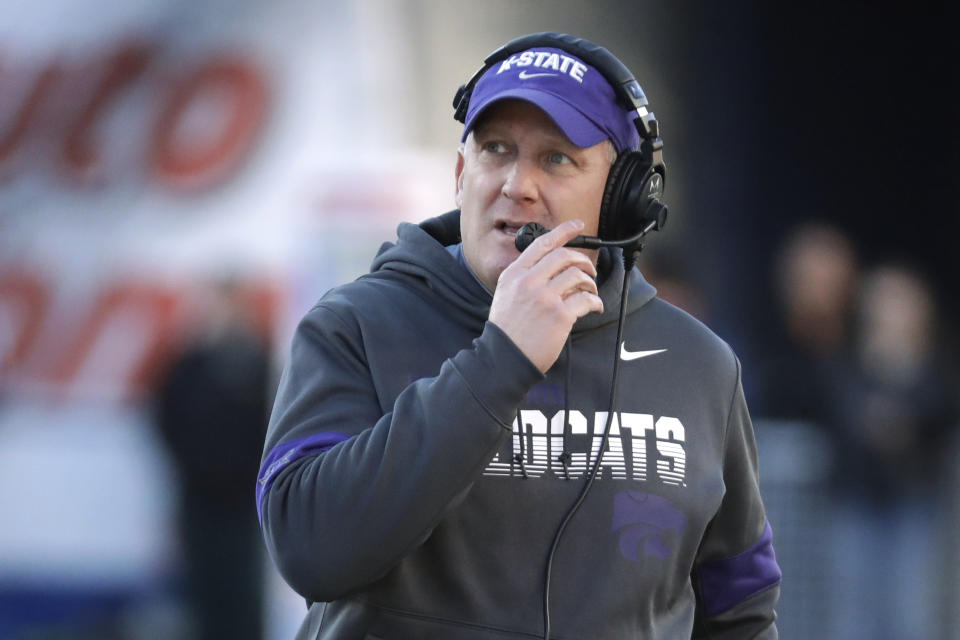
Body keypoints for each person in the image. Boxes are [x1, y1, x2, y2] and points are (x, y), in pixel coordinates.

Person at [258, 33, 780, 639]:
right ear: (461, 172)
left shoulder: (700, 366)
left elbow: (741, 605)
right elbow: (309, 549)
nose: (516, 184)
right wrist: (499, 360)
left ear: (622, 199)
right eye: (495, 149)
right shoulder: (356, 324)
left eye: (556, 158)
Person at [156, 277, 271, 640]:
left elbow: (274, 427)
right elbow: (164, 419)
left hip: (245, 503)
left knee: (244, 597)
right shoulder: (187, 366)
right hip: (199, 501)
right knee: (204, 599)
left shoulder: (261, 363)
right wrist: (191, 466)